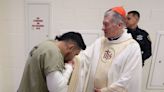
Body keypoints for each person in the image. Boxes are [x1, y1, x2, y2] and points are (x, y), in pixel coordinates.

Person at [76, 6, 142, 92]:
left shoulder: (132, 47)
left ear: (119, 25)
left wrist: (106, 90)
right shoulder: (100, 42)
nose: (102, 28)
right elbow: (84, 58)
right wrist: (73, 60)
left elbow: (129, 78)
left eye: (106, 24)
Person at [17, 32, 86, 92]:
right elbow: (57, 89)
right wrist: (69, 67)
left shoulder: (48, 44)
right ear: (71, 47)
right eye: (75, 54)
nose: (73, 58)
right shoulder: (53, 53)